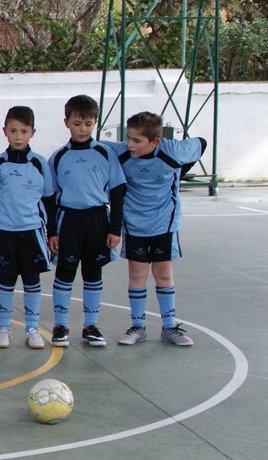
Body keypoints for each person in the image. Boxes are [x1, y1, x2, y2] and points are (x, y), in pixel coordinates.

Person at [113, 111, 205, 346]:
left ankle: (169, 326)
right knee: (137, 275)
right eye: (128, 138)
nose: (130, 144)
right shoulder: (121, 153)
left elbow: (201, 143)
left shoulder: (172, 151)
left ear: (155, 142)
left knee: (163, 274)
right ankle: (138, 326)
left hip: (164, 225)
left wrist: (179, 171)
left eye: (137, 140)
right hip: (134, 226)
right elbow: (95, 148)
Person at [46, 95, 127, 348]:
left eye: (88, 123)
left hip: (97, 220)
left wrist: (115, 228)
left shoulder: (105, 153)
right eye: (77, 123)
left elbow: (117, 192)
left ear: (95, 123)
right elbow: (50, 198)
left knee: (93, 273)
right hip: (68, 220)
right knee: (65, 273)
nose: (82, 129)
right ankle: (60, 325)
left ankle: (91, 325)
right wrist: (51, 232)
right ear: (66, 122)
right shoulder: (58, 157)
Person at [0, 106, 55, 349]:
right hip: (6, 234)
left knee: (32, 281)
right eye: (13, 131)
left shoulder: (40, 164)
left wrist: (53, 233)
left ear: (32, 133)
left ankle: (32, 328)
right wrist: (5, 217)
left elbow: (49, 199)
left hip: (32, 233)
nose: (18, 136)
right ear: (5, 132)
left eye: (23, 131)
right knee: (6, 280)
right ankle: (4, 328)